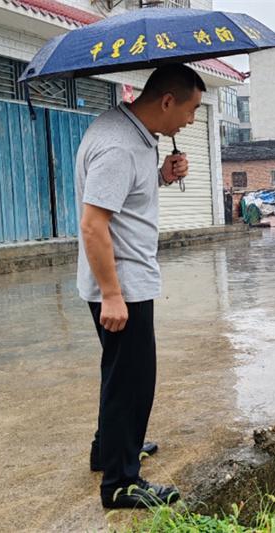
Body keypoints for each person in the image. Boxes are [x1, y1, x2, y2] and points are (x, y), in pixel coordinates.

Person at [76, 64, 205, 508]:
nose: (191, 120)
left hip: (123, 280)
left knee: (118, 374)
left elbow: (124, 195)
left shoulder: (124, 130)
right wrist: (112, 293)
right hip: (122, 285)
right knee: (133, 381)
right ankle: (121, 483)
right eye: (191, 110)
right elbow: (94, 225)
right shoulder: (119, 145)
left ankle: (110, 450)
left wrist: (162, 176)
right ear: (167, 101)